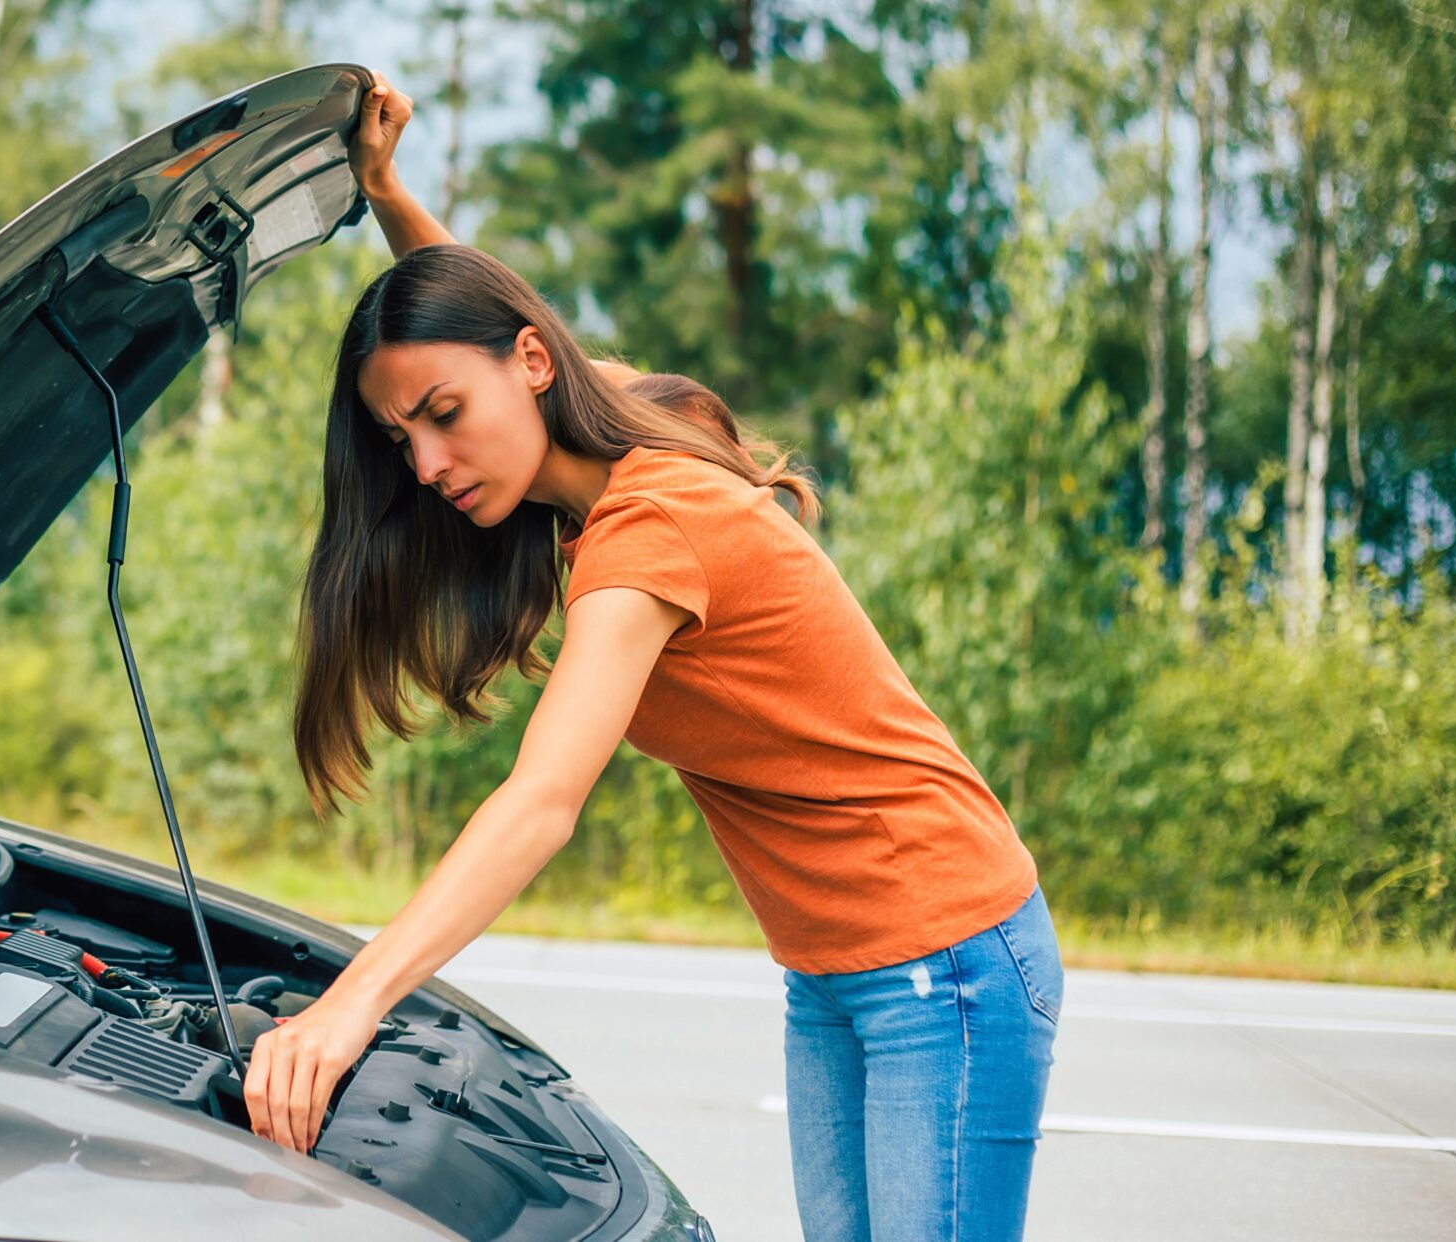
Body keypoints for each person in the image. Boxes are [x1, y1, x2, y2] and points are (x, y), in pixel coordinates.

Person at [240, 70, 1063, 1242]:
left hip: (948, 959)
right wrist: (387, 195)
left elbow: (541, 799)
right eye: (398, 434)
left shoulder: (646, 532)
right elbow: (480, 332)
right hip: (834, 973)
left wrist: (350, 1006)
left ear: (530, 367)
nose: (424, 464)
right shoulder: (605, 419)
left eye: (439, 417)